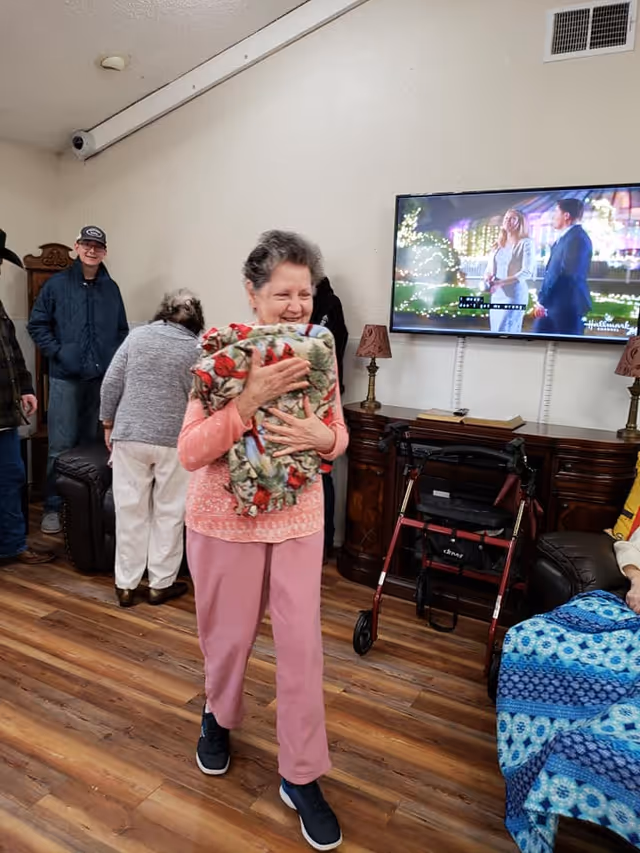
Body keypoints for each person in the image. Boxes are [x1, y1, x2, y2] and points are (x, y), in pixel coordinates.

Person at [178, 230, 348, 852]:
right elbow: (191, 451)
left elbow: (339, 435)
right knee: (226, 640)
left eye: (306, 293)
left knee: (302, 649)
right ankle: (217, 717)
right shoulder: (221, 352)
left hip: (299, 519)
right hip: (223, 521)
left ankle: (301, 775)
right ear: (253, 295)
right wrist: (247, 401)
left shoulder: (317, 355)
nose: (297, 304)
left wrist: (322, 438)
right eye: (284, 293)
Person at [100, 289, 204, 608]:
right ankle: (160, 584)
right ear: (196, 319)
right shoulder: (198, 348)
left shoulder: (138, 336)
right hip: (175, 441)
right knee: (170, 512)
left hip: (130, 435)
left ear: (164, 311)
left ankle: (126, 585)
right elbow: (202, 397)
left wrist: (108, 423)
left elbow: (111, 383)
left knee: (130, 511)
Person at [28, 226, 128, 536]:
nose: (92, 250)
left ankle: (84, 508)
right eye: (86, 244)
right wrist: (59, 354)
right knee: (61, 448)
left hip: (99, 382)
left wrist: (112, 362)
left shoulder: (111, 289)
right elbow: (37, 325)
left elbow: (122, 331)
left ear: (105, 251)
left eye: (98, 246)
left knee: (92, 446)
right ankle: (54, 508)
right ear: (76, 247)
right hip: (65, 379)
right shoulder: (57, 286)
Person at [0, 229, 53, 566]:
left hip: (4, 416)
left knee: (11, 478)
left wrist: (28, 388)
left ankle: (11, 546)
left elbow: (13, 352)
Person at [310, 276, 348, 561]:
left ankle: (322, 544)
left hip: (321, 402)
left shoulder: (328, 306)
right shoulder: (323, 304)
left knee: (322, 474)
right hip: (314, 399)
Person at [533, 198, 593, 336]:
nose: (553, 216)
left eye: (556, 212)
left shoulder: (577, 239)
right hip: (554, 306)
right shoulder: (566, 238)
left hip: (566, 307)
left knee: (565, 350)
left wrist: (542, 301)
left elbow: (565, 274)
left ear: (566, 216)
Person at [483, 209, 535, 335]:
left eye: (513, 218)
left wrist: (501, 282)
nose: (508, 220)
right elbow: (489, 269)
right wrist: (487, 279)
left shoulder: (526, 243)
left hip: (514, 295)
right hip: (497, 295)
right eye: (506, 218)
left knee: (505, 331)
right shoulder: (498, 244)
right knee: (495, 332)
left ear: (520, 223)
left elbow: (526, 272)